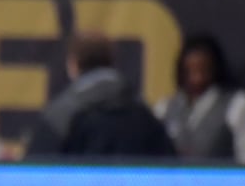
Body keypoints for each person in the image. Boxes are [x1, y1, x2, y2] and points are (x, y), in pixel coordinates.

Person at [26, 32, 174, 158]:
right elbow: (171, 167)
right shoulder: (144, 115)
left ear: (73, 64)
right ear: (112, 60)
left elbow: (34, 173)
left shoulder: (59, 116)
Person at [155, 34, 245, 163]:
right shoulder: (164, 108)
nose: (197, 78)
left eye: (203, 70)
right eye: (191, 71)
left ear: (215, 68)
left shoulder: (239, 105)